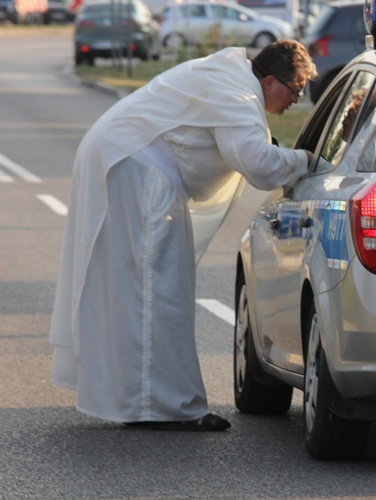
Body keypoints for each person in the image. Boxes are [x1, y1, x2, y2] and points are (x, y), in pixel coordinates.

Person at [48, 40, 318, 432]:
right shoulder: (237, 91)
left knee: (138, 291)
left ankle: (144, 402)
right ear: (270, 80)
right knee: (159, 292)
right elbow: (258, 164)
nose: (297, 100)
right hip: (137, 170)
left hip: (126, 161)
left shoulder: (229, 78)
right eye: (295, 90)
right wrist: (305, 160)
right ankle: (167, 407)